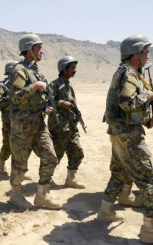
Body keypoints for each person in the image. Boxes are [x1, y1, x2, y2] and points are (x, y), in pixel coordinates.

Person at [96, 34, 153, 244]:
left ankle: (105, 211)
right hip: (128, 135)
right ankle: (149, 230)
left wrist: (146, 119)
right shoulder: (129, 74)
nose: (148, 56)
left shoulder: (127, 72)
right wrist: (149, 95)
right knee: (149, 180)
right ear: (136, 54)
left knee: (119, 173)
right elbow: (127, 103)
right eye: (146, 52)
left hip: (119, 133)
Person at [9, 33, 61, 210]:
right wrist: (34, 86)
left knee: (51, 157)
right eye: (39, 47)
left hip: (38, 123)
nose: (42, 51)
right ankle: (15, 195)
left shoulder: (35, 70)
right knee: (20, 164)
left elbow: (36, 98)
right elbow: (15, 98)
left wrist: (44, 107)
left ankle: (42, 195)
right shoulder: (19, 70)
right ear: (29, 49)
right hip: (22, 126)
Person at [48, 56, 85, 189]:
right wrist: (61, 103)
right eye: (72, 68)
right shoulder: (54, 85)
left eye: (75, 68)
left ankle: (70, 179)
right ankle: (47, 179)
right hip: (58, 128)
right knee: (55, 156)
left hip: (71, 127)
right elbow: (48, 101)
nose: (75, 70)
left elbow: (73, 105)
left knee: (77, 153)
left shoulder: (69, 86)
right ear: (64, 69)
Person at [0, 61, 18, 172]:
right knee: (8, 144)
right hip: (8, 120)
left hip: (21, 120)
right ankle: (2, 161)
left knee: (20, 146)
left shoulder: (20, 86)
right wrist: (10, 97)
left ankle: (17, 170)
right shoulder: (1, 86)